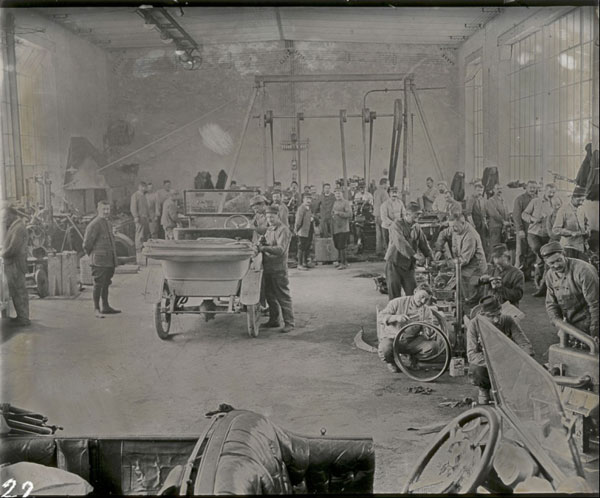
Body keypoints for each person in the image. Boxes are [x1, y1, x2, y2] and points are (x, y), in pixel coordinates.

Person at [467, 295, 534, 404]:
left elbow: (524, 343)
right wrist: (492, 363)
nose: (496, 319)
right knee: (476, 370)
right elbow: (472, 354)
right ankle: (484, 388)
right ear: (482, 314)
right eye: (491, 316)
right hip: (486, 362)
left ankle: (510, 392)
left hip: (506, 360)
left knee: (515, 397)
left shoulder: (507, 320)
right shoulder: (474, 324)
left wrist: (525, 358)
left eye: (498, 314)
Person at [540, 242, 599, 339]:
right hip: (570, 323)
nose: (556, 265)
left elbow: (595, 304)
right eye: (551, 263)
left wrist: (595, 331)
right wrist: (559, 323)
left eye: (559, 260)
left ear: (564, 254)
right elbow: (551, 304)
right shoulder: (550, 275)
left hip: (591, 320)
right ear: (546, 263)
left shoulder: (583, 271)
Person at [377, 283, 439, 373]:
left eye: (426, 299)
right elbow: (380, 317)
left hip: (411, 341)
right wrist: (396, 317)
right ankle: (392, 362)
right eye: (421, 297)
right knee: (385, 348)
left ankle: (414, 359)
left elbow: (429, 329)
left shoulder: (426, 310)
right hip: (393, 338)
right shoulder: (397, 302)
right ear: (415, 292)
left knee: (433, 346)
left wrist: (428, 331)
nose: (422, 301)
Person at [435, 207, 487, 302]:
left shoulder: (470, 236)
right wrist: (438, 249)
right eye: (451, 227)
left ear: (463, 223)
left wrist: (446, 263)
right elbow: (443, 234)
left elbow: (463, 260)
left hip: (474, 271)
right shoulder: (455, 227)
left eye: (455, 227)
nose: (453, 230)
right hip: (462, 268)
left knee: (469, 299)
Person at [256, 206, 295, 333]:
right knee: (270, 296)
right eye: (268, 217)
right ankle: (274, 320)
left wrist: (264, 248)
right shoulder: (269, 229)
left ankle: (289, 323)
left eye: (272, 217)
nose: (270, 219)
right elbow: (270, 244)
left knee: (282, 296)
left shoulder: (283, 230)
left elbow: (280, 250)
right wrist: (263, 243)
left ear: (278, 216)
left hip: (278, 268)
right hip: (268, 267)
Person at [385, 202, 432, 299]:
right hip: (394, 263)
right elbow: (400, 242)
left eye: (419, 215)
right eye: (415, 216)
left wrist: (430, 257)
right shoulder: (396, 225)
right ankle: (395, 314)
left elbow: (424, 243)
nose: (418, 218)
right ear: (407, 214)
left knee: (413, 294)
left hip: (408, 266)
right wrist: (414, 255)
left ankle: (411, 313)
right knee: (395, 296)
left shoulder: (417, 227)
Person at [83, 200, 120, 318]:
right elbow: (86, 244)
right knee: (98, 284)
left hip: (109, 260)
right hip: (99, 261)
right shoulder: (94, 224)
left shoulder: (108, 223)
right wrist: (93, 256)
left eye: (108, 209)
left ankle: (105, 306)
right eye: (103, 209)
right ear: (98, 210)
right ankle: (96, 309)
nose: (106, 211)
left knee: (106, 283)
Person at [522, 183, 561, 294]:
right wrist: (533, 219)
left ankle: (541, 286)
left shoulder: (557, 202)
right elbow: (524, 214)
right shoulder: (535, 201)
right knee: (540, 252)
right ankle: (542, 284)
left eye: (553, 192)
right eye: (550, 192)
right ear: (544, 190)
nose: (551, 194)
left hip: (548, 235)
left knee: (542, 260)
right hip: (534, 233)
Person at [1, 206, 30, 326]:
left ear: (12, 215)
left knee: (19, 290)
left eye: (5, 217)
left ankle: (23, 318)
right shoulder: (15, 227)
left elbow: (13, 248)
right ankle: (21, 316)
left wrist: (2, 253)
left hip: (15, 264)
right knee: (17, 290)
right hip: (14, 263)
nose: (4, 220)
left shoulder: (18, 228)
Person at [476, 243, 524, 307]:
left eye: (501, 265)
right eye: (497, 265)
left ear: (506, 258)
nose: (499, 268)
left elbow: (518, 295)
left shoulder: (517, 274)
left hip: (508, 308)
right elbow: (472, 282)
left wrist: (500, 288)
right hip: (491, 306)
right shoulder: (492, 270)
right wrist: (481, 280)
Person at [552, 186, 589, 261]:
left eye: (583, 200)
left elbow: (586, 223)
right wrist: (571, 233)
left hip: (582, 247)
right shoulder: (563, 210)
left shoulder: (581, 209)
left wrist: (588, 229)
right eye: (579, 200)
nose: (581, 203)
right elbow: (555, 229)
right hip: (569, 247)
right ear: (573, 198)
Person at [513, 180, 538, 280]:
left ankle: (527, 274)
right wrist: (520, 229)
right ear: (526, 188)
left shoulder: (537, 199)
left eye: (534, 187)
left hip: (534, 231)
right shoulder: (519, 199)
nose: (532, 189)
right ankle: (519, 275)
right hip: (523, 231)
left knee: (532, 251)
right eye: (530, 187)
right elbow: (516, 215)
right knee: (521, 252)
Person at [483, 184, 510, 251]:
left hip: (503, 227)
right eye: (497, 189)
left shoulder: (503, 200)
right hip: (495, 227)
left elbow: (506, 212)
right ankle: (491, 261)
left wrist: (508, 221)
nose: (499, 190)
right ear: (494, 190)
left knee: (502, 248)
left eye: (501, 188)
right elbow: (494, 214)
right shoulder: (491, 200)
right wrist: (503, 221)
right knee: (494, 247)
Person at [331, 188, 352, 270]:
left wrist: (338, 213)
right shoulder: (335, 202)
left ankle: (343, 263)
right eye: (336, 194)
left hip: (343, 228)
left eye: (339, 193)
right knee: (337, 245)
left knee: (342, 245)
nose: (338, 195)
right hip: (336, 227)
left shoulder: (346, 203)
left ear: (342, 194)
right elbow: (333, 212)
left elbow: (349, 214)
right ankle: (342, 262)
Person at [130, 181, 150, 263]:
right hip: (139, 218)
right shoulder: (135, 195)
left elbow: (146, 207)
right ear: (140, 187)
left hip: (145, 218)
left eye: (145, 187)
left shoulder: (143, 196)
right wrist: (135, 216)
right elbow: (133, 207)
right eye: (143, 187)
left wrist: (148, 216)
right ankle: (138, 250)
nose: (144, 188)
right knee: (139, 234)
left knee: (144, 234)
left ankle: (143, 250)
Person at [465, 182, 487, 253]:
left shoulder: (483, 199)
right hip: (474, 225)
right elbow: (468, 214)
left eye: (481, 191)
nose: (480, 192)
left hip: (482, 225)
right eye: (478, 191)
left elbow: (484, 214)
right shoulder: (471, 199)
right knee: (474, 243)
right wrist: (472, 225)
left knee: (483, 243)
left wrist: (485, 223)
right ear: (474, 190)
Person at [294, 193, 314, 271]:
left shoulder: (309, 208)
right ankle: (300, 264)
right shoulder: (301, 208)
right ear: (303, 200)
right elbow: (298, 221)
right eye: (307, 199)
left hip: (309, 230)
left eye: (310, 199)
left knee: (307, 246)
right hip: (302, 231)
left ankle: (305, 263)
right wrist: (296, 229)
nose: (308, 200)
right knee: (301, 247)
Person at [373, 178, 390, 256]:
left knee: (378, 234)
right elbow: (387, 205)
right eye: (388, 184)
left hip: (376, 215)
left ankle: (378, 251)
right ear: (384, 184)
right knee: (385, 234)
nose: (388, 185)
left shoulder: (376, 192)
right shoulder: (384, 192)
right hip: (382, 216)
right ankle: (387, 252)